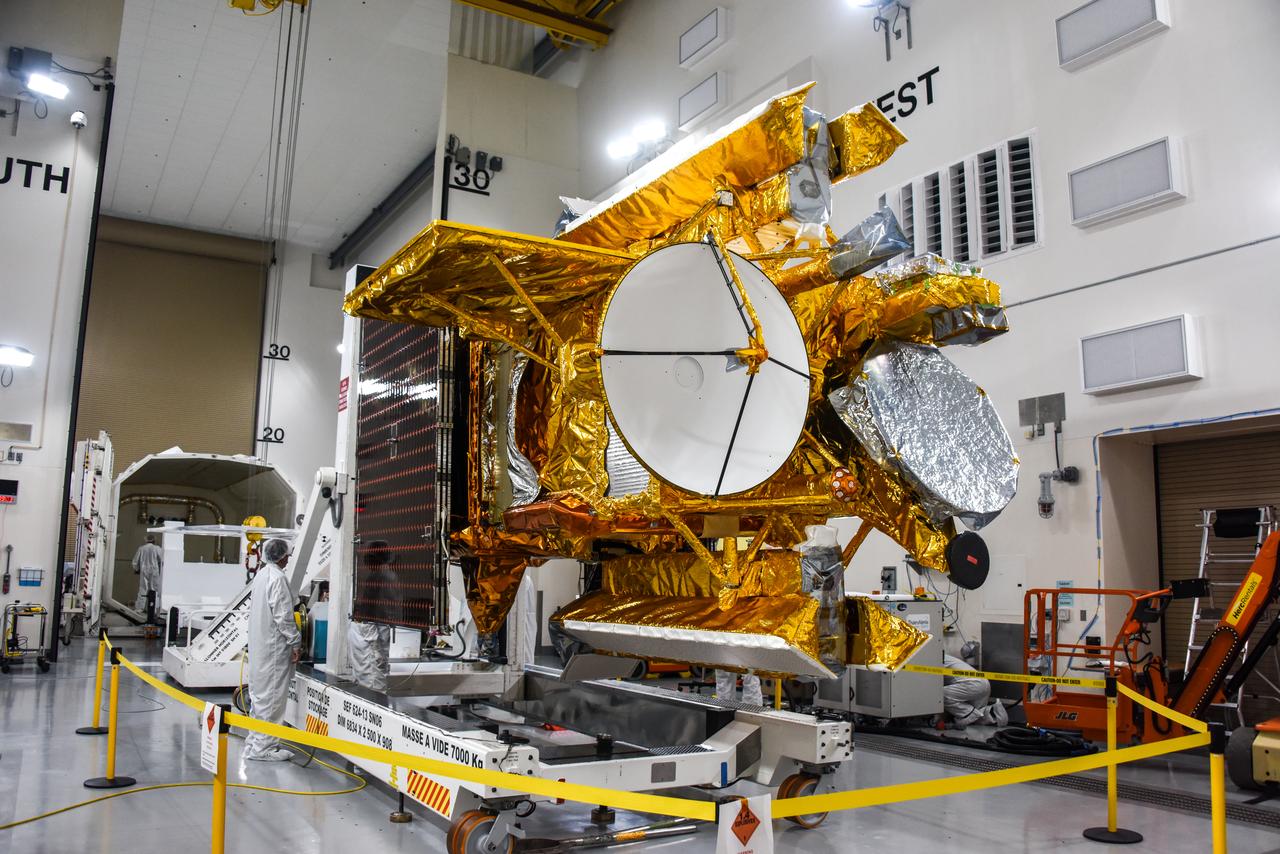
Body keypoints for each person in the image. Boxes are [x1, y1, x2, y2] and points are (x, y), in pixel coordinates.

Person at [244, 538, 300, 761]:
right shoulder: (277, 578)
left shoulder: (262, 575)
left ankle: (255, 742)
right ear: (282, 556)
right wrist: (295, 641)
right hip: (274, 649)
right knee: (273, 699)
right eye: (287, 554)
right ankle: (264, 750)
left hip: (260, 647)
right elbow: (284, 617)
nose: (288, 558)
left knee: (260, 697)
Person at [348, 541, 394, 692]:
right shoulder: (377, 575)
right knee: (367, 677)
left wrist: (372, 642)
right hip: (369, 635)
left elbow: (374, 609)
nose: (366, 559)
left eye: (370, 555)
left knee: (372, 681)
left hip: (371, 636)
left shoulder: (382, 576)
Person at [942, 652, 1008, 728]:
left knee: (940, 694)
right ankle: (990, 718)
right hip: (983, 683)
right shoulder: (944, 657)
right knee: (979, 714)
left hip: (972, 684)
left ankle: (969, 714)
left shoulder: (933, 659)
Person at [131, 535, 164, 616]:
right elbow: (162, 559)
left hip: (144, 570)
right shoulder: (157, 548)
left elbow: (135, 561)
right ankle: (155, 609)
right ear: (154, 540)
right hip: (154, 571)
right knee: (154, 590)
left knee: (143, 588)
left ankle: (139, 609)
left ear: (146, 540)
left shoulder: (141, 548)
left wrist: (136, 569)